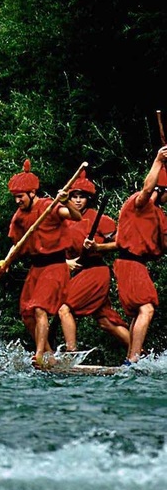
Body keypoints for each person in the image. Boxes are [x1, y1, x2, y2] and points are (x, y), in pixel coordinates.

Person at [3, 159, 80, 365]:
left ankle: (38, 355)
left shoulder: (49, 206)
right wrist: (6, 261)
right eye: (15, 198)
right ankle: (49, 356)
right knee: (27, 314)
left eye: (20, 197)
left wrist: (66, 201)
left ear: (31, 193)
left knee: (39, 308)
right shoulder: (19, 216)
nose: (17, 201)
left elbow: (75, 216)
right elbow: (17, 244)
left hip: (55, 266)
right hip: (36, 268)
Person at [56, 171, 129, 353]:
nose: (78, 201)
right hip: (80, 272)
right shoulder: (62, 221)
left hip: (96, 271)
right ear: (69, 198)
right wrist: (66, 262)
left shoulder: (100, 220)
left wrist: (98, 247)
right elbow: (53, 251)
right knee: (105, 322)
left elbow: (122, 243)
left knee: (64, 308)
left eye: (82, 197)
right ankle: (140, 353)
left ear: (88, 199)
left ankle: (70, 353)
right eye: (74, 197)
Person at [114, 145, 167, 364]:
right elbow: (146, 189)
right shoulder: (139, 203)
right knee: (146, 308)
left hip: (134, 264)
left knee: (139, 311)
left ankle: (129, 358)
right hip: (129, 262)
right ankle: (134, 360)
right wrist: (158, 160)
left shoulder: (158, 215)